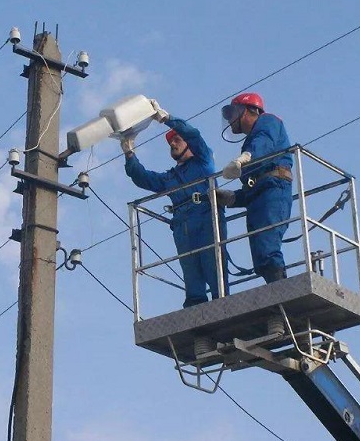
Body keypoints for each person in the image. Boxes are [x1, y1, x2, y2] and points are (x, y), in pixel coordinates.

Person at [122, 100, 228, 308]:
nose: (172, 144)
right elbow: (143, 178)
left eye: (177, 140)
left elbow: (194, 135)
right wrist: (129, 153)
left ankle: (222, 303)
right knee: (190, 267)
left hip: (207, 217)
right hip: (182, 224)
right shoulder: (170, 178)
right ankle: (195, 304)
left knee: (213, 263)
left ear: (188, 144)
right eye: (171, 142)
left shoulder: (203, 162)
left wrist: (167, 119)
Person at [216, 93, 293, 284]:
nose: (230, 119)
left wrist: (246, 157)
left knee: (267, 246)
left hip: (273, 192)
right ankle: (275, 290)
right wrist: (233, 198)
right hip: (260, 196)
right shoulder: (249, 142)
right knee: (260, 252)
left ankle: (280, 290)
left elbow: (264, 142)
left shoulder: (267, 122)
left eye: (232, 113)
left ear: (248, 110)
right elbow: (254, 184)